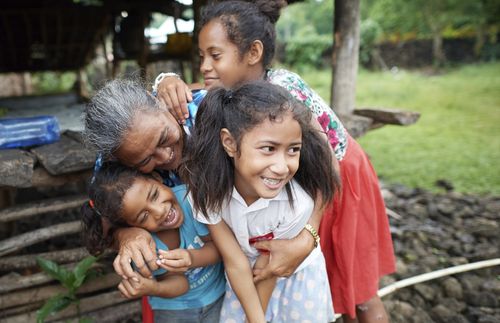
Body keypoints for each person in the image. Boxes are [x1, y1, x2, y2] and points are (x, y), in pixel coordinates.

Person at [156, 1, 396, 321]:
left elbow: (326, 163)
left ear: (253, 53)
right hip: (302, 182)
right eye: (201, 57)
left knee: (359, 292)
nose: (204, 66)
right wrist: (165, 80)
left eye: (215, 56)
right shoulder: (237, 94)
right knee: (338, 286)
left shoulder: (279, 92)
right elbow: (195, 92)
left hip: (336, 177)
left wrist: (305, 238)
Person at [181, 81, 338, 322]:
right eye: (268, 148)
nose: (282, 167)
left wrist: (255, 319)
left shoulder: (296, 205)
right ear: (230, 143)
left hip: (292, 277)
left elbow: (271, 270)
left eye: (293, 150)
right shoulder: (208, 192)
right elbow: (234, 262)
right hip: (243, 280)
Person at [80, 161, 226, 322]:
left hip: (218, 294)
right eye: (143, 216)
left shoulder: (189, 202)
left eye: (155, 195)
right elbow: (180, 284)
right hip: (175, 309)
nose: (159, 211)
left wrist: (191, 258)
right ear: (130, 226)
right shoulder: (143, 247)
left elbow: (219, 248)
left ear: (157, 178)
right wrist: (153, 288)